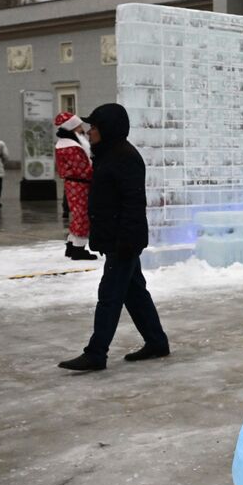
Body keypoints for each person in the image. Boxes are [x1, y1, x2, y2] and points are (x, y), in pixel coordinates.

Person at [59, 104, 170, 372]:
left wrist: (125, 243)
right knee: (134, 293)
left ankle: (96, 353)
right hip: (117, 238)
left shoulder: (124, 157)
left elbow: (133, 204)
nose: (90, 131)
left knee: (109, 295)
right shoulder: (109, 154)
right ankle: (156, 342)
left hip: (124, 241)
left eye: (94, 127)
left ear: (107, 128)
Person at [54, 112, 96, 260]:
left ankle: (71, 246)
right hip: (80, 185)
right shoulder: (72, 146)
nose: (82, 128)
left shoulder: (64, 143)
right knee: (83, 215)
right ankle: (79, 249)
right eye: (78, 125)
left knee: (77, 214)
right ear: (72, 127)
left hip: (72, 184)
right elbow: (82, 170)